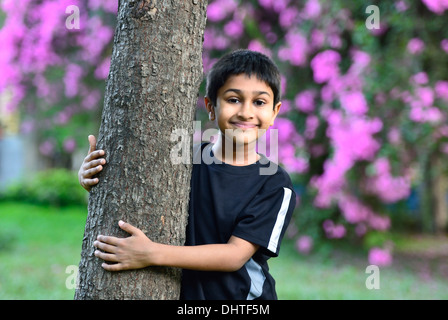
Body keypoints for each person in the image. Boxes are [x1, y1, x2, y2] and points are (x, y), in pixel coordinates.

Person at [78, 49, 296, 300]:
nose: (246, 112)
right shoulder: (183, 161)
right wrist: (89, 177)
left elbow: (234, 255)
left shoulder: (275, 183)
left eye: (259, 102)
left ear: (274, 112)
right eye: (233, 99)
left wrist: (150, 253)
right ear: (211, 107)